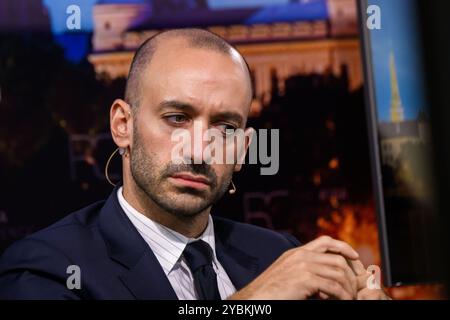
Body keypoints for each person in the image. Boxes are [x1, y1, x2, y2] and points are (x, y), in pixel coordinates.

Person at [0, 28, 389, 300]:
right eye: (177, 118)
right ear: (123, 125)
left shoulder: (278, 254)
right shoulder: (49, 268)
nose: (200, 150)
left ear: (242, 149)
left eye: (225, 126)